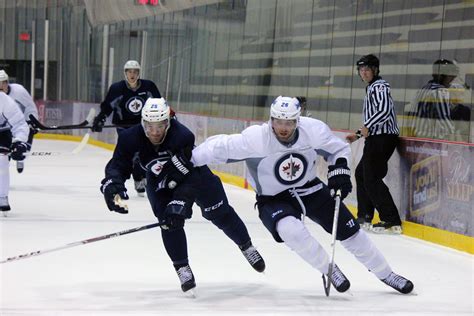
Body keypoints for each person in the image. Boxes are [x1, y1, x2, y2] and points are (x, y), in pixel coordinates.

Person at [171, 95, 414, 294]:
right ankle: (328, 269)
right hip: (273, 199)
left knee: (350, 231)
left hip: (311, 189)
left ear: (298, 120)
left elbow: (338, 148)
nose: (283, 128)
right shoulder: (256, 139)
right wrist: (187, 160)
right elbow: (218, 146)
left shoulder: (313, 130)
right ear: (271, 120)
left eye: (289, 122)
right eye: (278, 121)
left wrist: (339, 170)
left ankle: (386, 273)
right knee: (290, 230)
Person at [99, 97, 265, 293]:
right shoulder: (129, 138)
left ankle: (246, 246)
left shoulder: (182, 136)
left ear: (168, 122)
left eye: (160, 126)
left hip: (195, 176)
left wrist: (180, 203)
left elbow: (188, 176)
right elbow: (118, 165)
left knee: (220, 213)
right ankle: (181, 266)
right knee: (168, 222)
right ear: (142, 123)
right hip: (159, 182)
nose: (155, 132)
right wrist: (112, 187)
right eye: (149, 127)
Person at [346, 54, 403, 234]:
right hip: (377, 137)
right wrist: (358, 134)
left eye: (367, 69)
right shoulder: (372, 87)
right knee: (362, 174)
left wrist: (366, 127)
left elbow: (384, 111)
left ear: (375, 70)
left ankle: (391, 219)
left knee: (371, 177)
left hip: (383, 138)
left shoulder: (379, 86)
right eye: (361, 69)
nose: (364, 72)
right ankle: (364, 216)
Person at [92, 60, 162, 197]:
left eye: (135, 71)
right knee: (130, 153)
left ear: (139, 73)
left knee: (143, 152)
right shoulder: (117, 88)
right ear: (125, 73)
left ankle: (139, 176)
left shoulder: (148, 86)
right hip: (123, 127)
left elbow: (159, 103)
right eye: (129, 71)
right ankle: (125, 179)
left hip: (142, 126)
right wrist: (100, 119)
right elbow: (108, 106)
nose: (132, 74)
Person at [407, 59, 459, 140]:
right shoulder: (440, 91)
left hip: (417, 136)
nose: (452, 79)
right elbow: (444, 118)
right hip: (429, 139)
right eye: (450, 76)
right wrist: (455, 136)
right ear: (441, 76)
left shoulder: (425, 88)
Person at [0, 70, 38, 173]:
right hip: (4, 126)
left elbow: (30, 107)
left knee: (20, 148)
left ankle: (20, 158)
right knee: (4, 157)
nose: (2, 86)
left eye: (3, 82)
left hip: (16, 121)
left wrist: (33, 121)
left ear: (7, 83)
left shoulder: (18, 91)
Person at [0, 91, 30, 212]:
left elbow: (19, 123)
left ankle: (2, 196)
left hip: (1, 133)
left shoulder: (3, 100)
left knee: (1, 160)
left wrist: (19, 141)